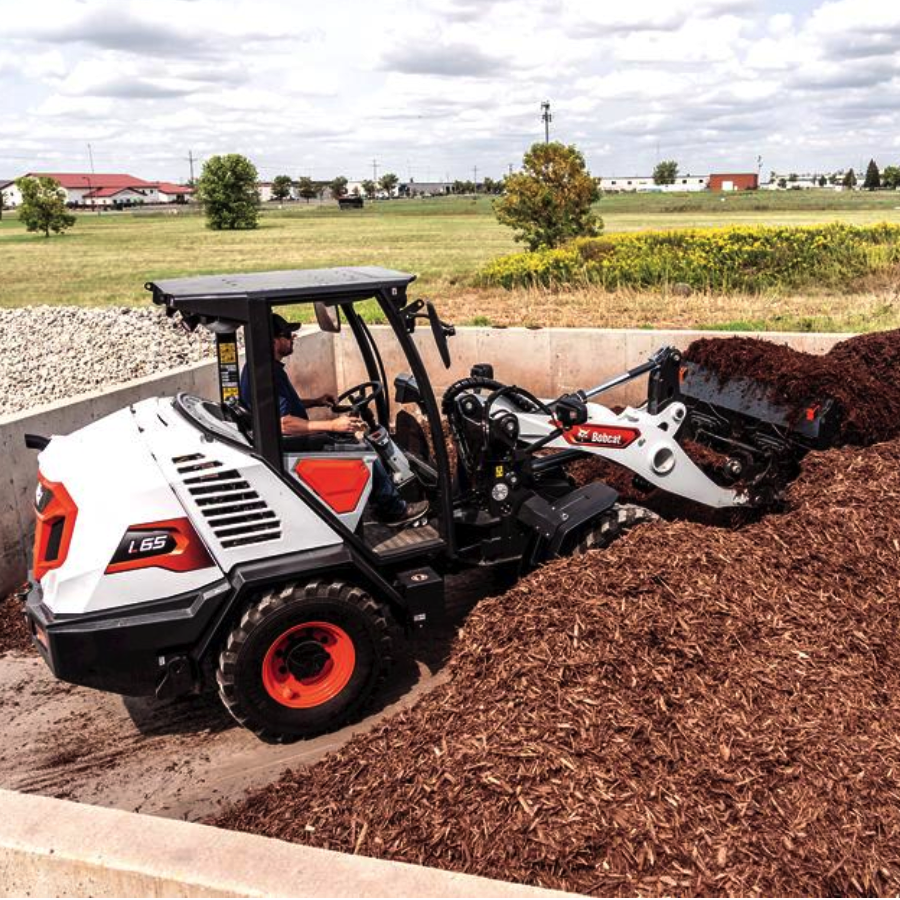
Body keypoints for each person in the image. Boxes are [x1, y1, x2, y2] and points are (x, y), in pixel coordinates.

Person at [240, 313, 428, 527]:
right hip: (291, 445)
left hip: (285, 442)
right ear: (273, 341)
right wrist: (332, 424)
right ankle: (393, 510)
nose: (293, 338)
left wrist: (316, 401)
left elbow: (274, 409)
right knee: (364, 451)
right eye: (287, 335)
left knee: (351, 440)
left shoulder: (260, 369)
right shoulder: (269, 374)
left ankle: (378, 499)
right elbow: (284, 423)